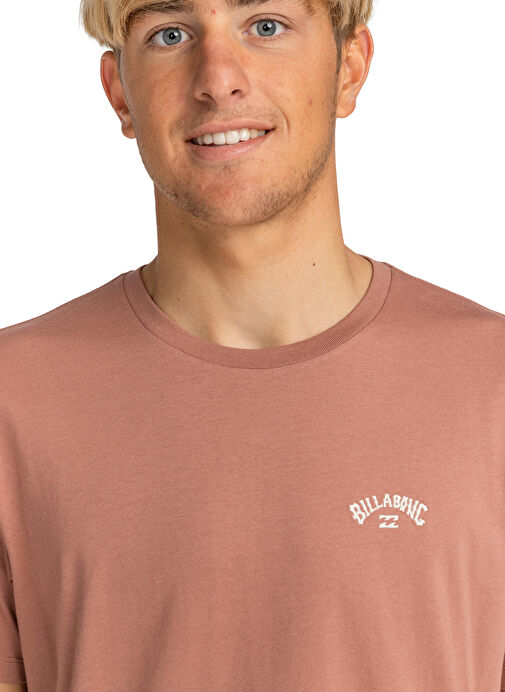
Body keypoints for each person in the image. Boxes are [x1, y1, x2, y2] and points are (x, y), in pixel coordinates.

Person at [0, 0, 504, 689]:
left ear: (349, 68)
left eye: (265, 26)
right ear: (119, 93)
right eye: (169, 34)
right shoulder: (15, 402)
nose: (218, 78)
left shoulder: (491, 383)